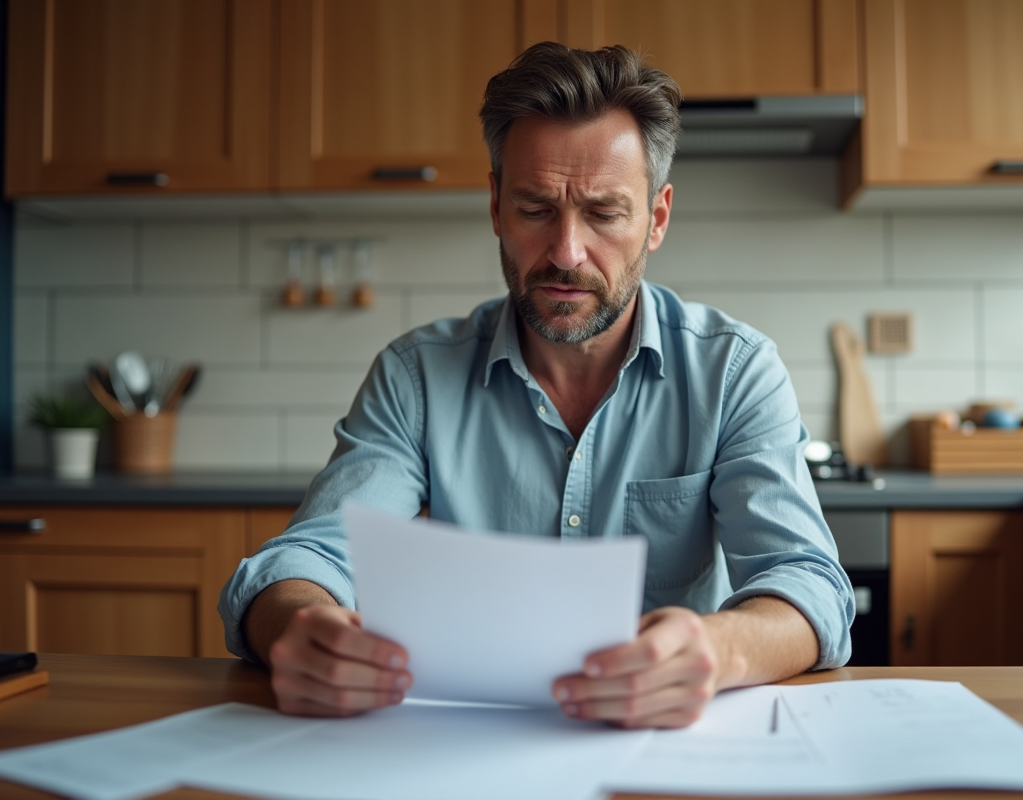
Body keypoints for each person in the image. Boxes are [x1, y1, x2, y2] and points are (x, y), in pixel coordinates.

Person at [219, 41, 853, 729]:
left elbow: (808, 582)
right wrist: (301, 628)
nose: (566, 252)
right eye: (535, 208)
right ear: (496, 206)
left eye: (605, 213)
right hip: (462, 748)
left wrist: (720, 648)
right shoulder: (416, 378)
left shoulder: (734, 373)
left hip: (668, 755)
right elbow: (306, 558)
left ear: (658, 218)